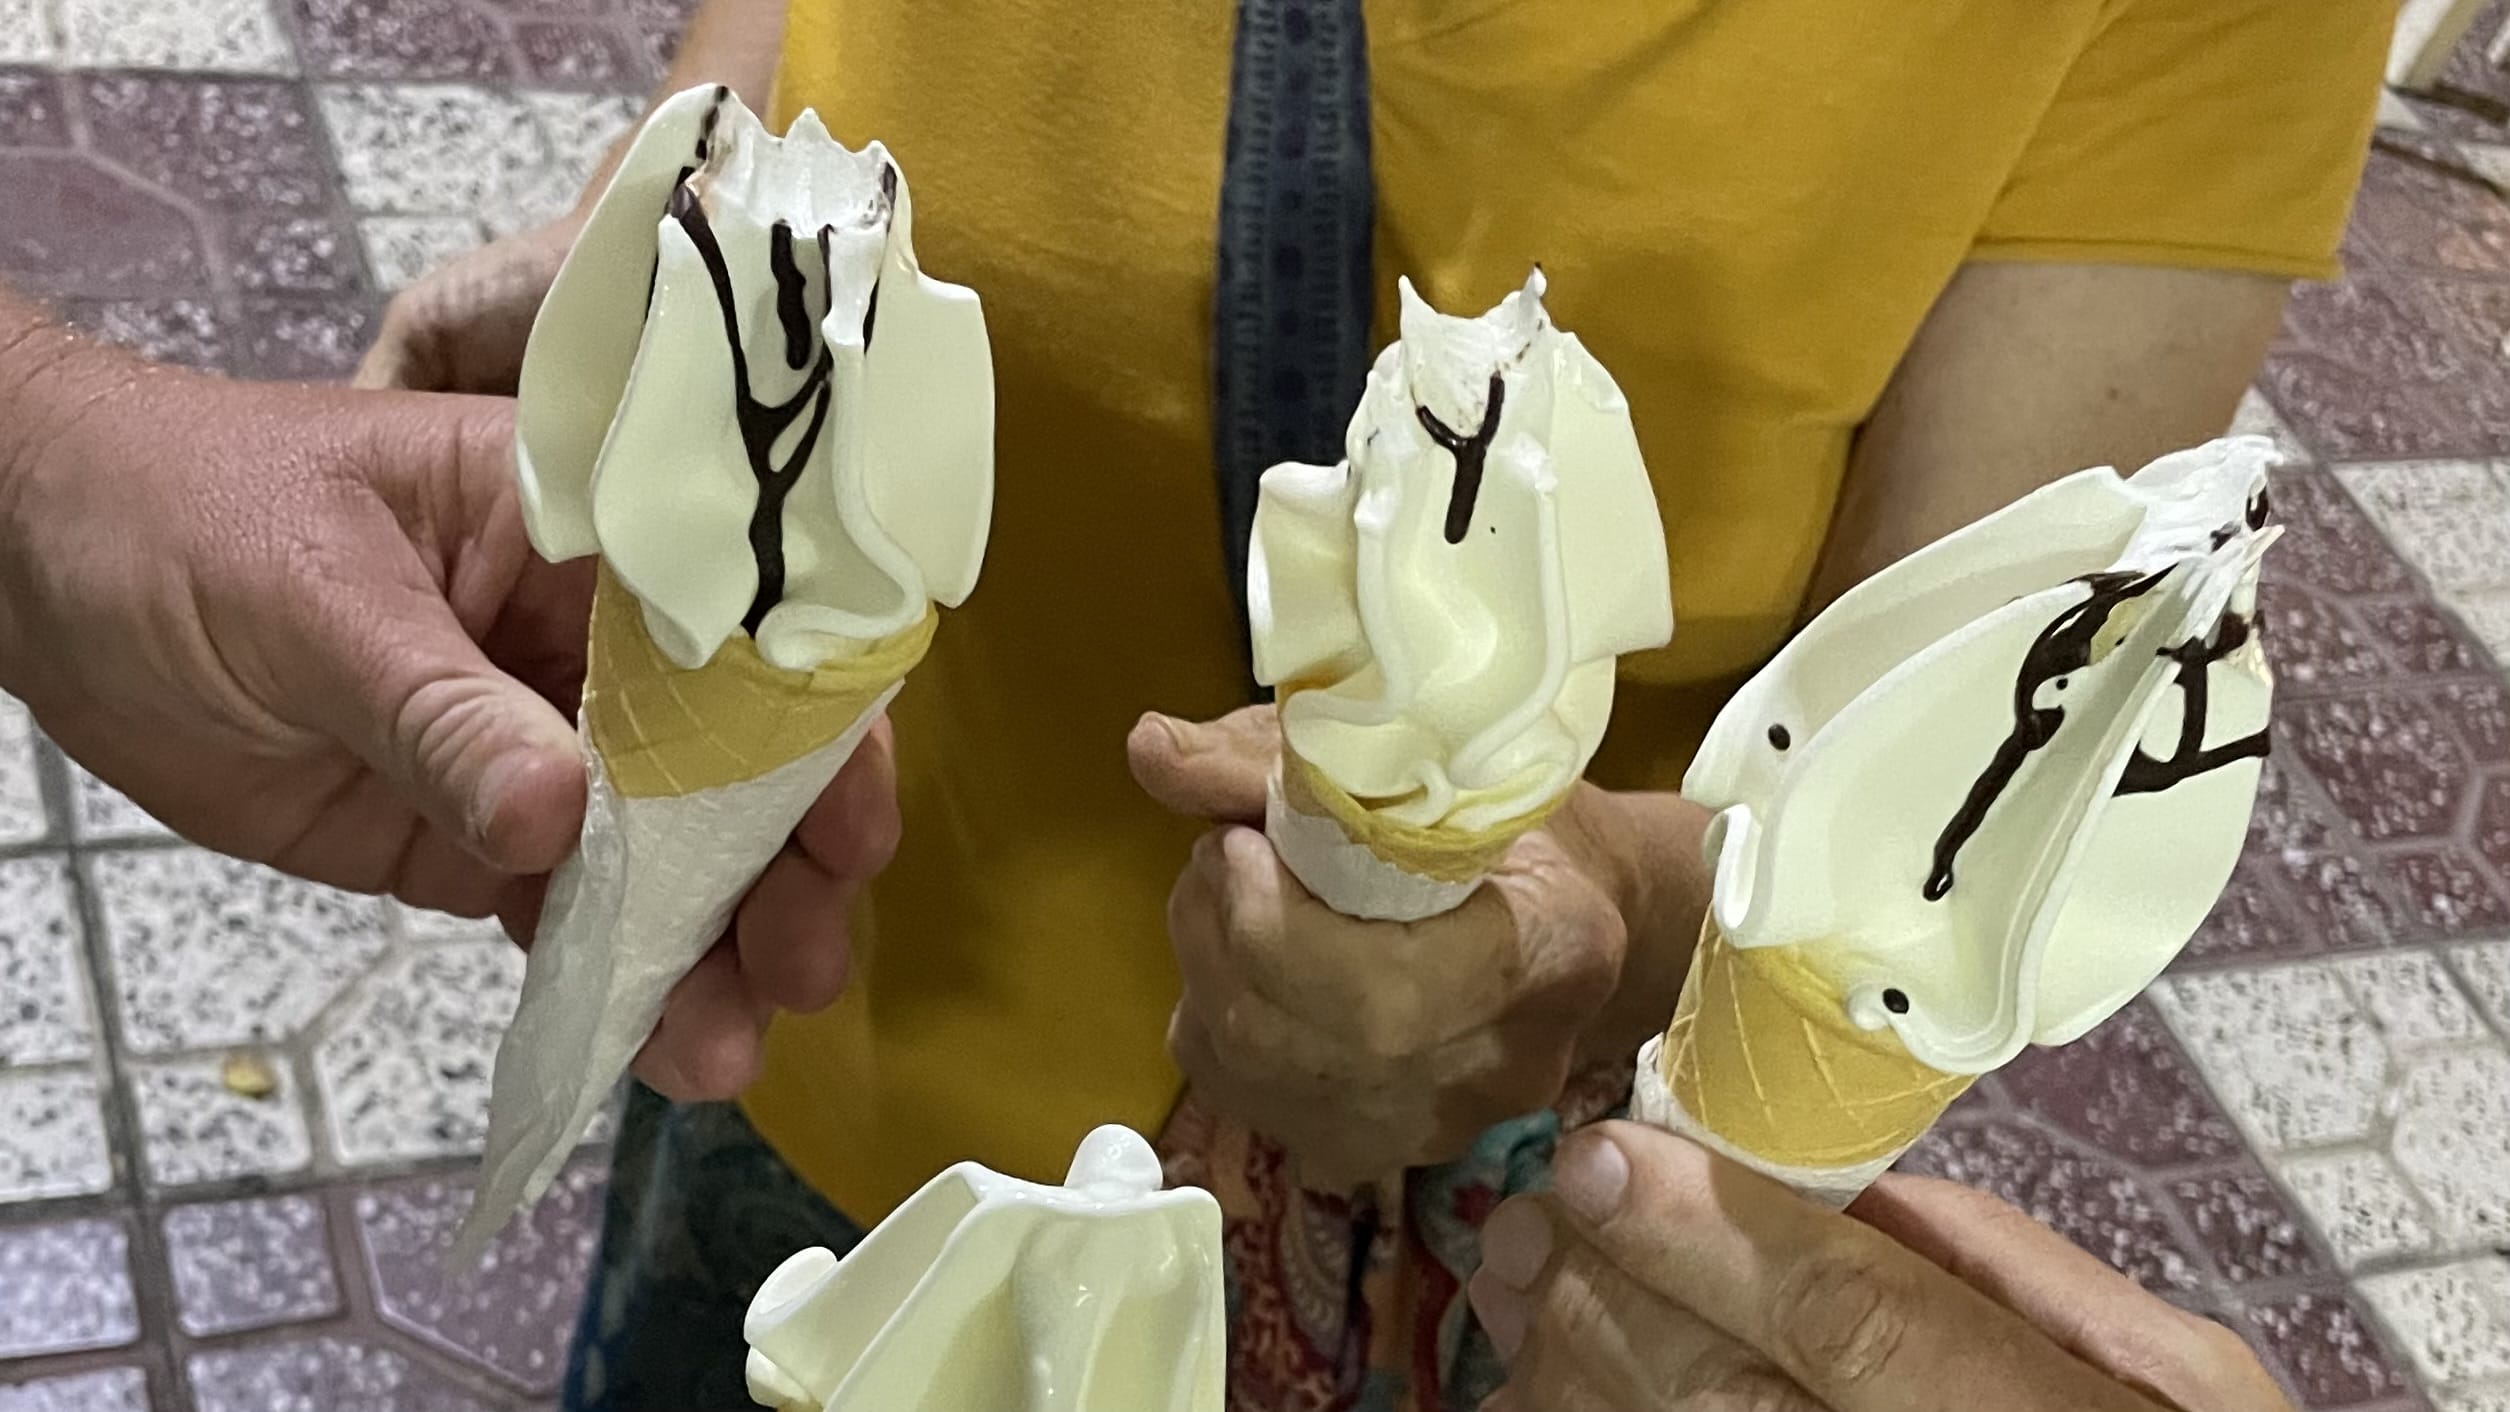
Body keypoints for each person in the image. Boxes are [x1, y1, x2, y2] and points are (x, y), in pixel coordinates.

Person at [0, 0, 2390, 1405]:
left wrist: (1567, 908)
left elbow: (1941, 739)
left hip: (1459, 1197)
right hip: (849, 966)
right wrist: (689, 212)